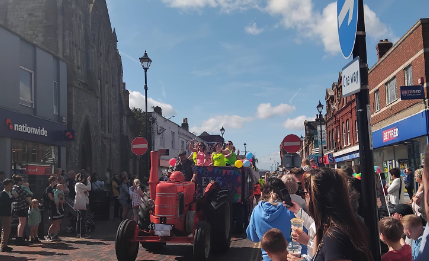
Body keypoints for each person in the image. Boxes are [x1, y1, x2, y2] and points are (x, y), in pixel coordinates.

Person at [290, 168, 373, 261]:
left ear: (315, 197)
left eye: (304, 193)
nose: (305, 199)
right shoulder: (345, 224)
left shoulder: (334, 237)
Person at [246, 178, 296, 261]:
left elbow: (253, 237)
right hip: (291, 257)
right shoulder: (292, 210)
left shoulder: (257, 210)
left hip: (268, 257)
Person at [11, 174, 31, 246]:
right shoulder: (18, 188)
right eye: (22, 181)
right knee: (22, 223)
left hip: (17, 206)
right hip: (21, 206)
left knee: (21, 222)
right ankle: (19, 238)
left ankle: (19, 237)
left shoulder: (14, 188)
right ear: (19, 181)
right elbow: (28, 194)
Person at [45, 175, 64, 241]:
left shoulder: (56, 187)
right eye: (56, 180)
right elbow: (51, 198)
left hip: (58, 206)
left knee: (59, 221)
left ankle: (55, 235)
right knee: (54, 222)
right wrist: (59, 200)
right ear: (52, 181)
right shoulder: (49, 189)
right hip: (52, 206)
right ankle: (49, 235)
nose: (57, 182)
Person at [0, 178, 17, 252]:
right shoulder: (3, 194)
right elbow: (6, 203)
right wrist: (13, 198)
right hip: (4, 214)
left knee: (7, 230)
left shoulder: (9, 193)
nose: (11, 186)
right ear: (5, 186)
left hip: (8, 213)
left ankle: (5, 244)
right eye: (10, 185)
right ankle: (3, 245)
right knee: (6, 229)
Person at [74, 173, 91, 238]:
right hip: (81, 202)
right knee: (82, 219)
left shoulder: (79, 185)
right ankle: (82, 233)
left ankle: (79, 233)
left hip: (81, 202)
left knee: (79, 218)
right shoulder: (79, 184)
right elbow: (88, 188)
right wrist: (89, 181)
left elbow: (86, 191)